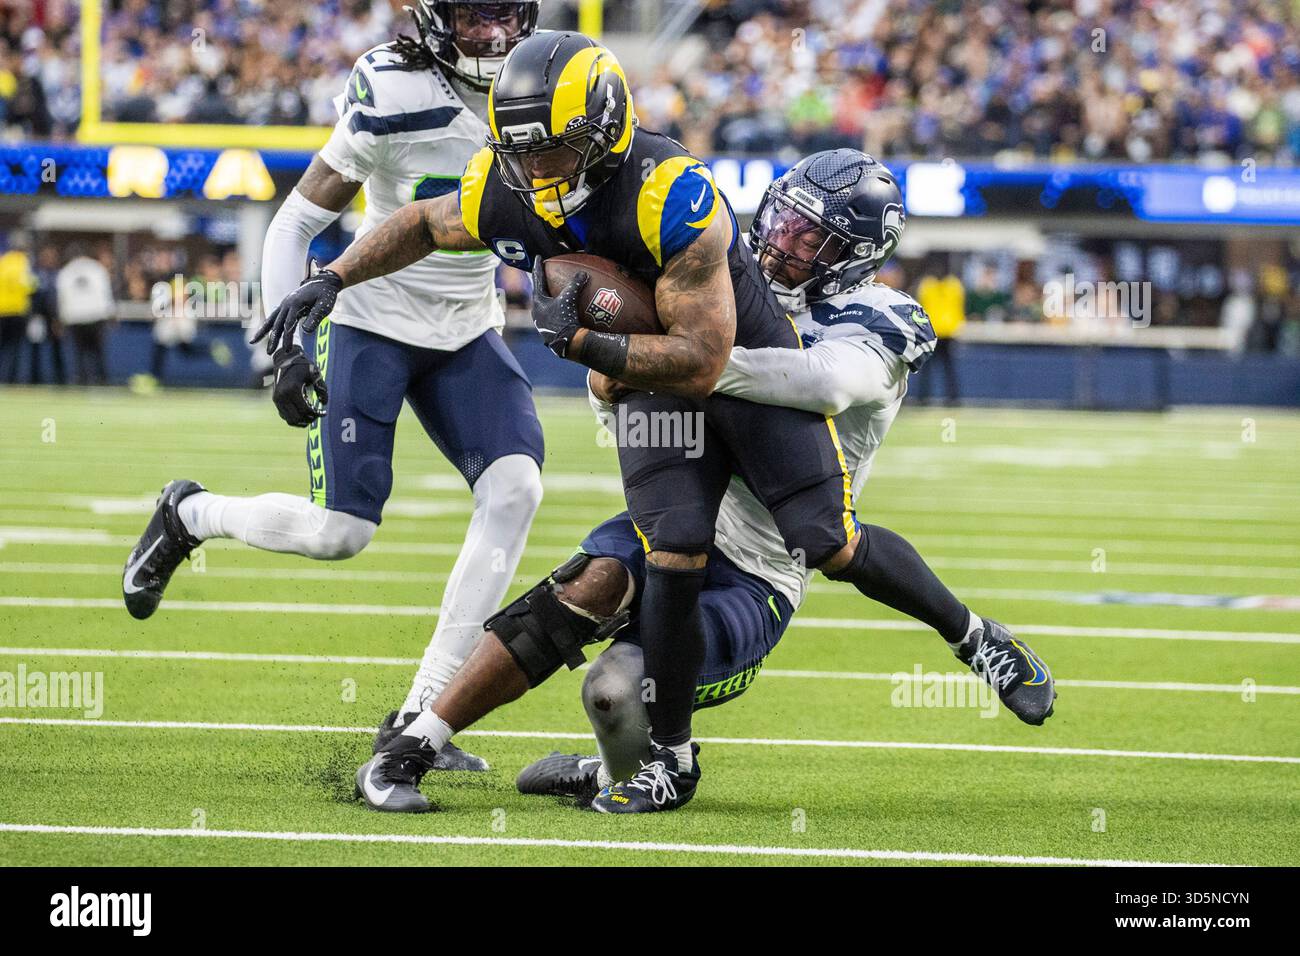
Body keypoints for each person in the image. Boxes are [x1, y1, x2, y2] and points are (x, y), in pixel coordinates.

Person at [262, 36, 1054, 814]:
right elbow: (439, 231)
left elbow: (814, 381)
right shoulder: (627, 226)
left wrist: (619, 348)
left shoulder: (873, 314)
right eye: (782, 220)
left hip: (763, 558)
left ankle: (970, 638)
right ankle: (423, 736)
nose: (782, 242)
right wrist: (329, 278)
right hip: (687, 446)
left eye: (811, 237)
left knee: (800, 563)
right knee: (593, 581)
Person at [120, 1, 546, 771]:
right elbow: (294, 226)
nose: (492, 35)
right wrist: (284, 350)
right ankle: (189, 514)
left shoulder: (549, 79)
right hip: (372, 318)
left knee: (516, 490)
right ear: (435, 18)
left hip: (467, 328)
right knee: (340, 532)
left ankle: (425, 713)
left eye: (504, 16)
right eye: (474, 17)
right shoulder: (391, 87)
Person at [57, 244, 114, 385]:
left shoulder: (66, 272)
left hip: (75, 316)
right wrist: (110, 313)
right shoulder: (97, 268)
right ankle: (102, 379)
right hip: (95, 315)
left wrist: (62, 318)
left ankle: (81, 379)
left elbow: (62, 297)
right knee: (98, 352)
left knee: (79, 352)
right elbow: (105, 293)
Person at [0, 231, 36, 384]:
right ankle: (9, 380)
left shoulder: (3, 261)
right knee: (14, 348)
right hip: (17, 311)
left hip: (2, 310)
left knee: (2, 347)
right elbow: (29, 285)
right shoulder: (24, 262)